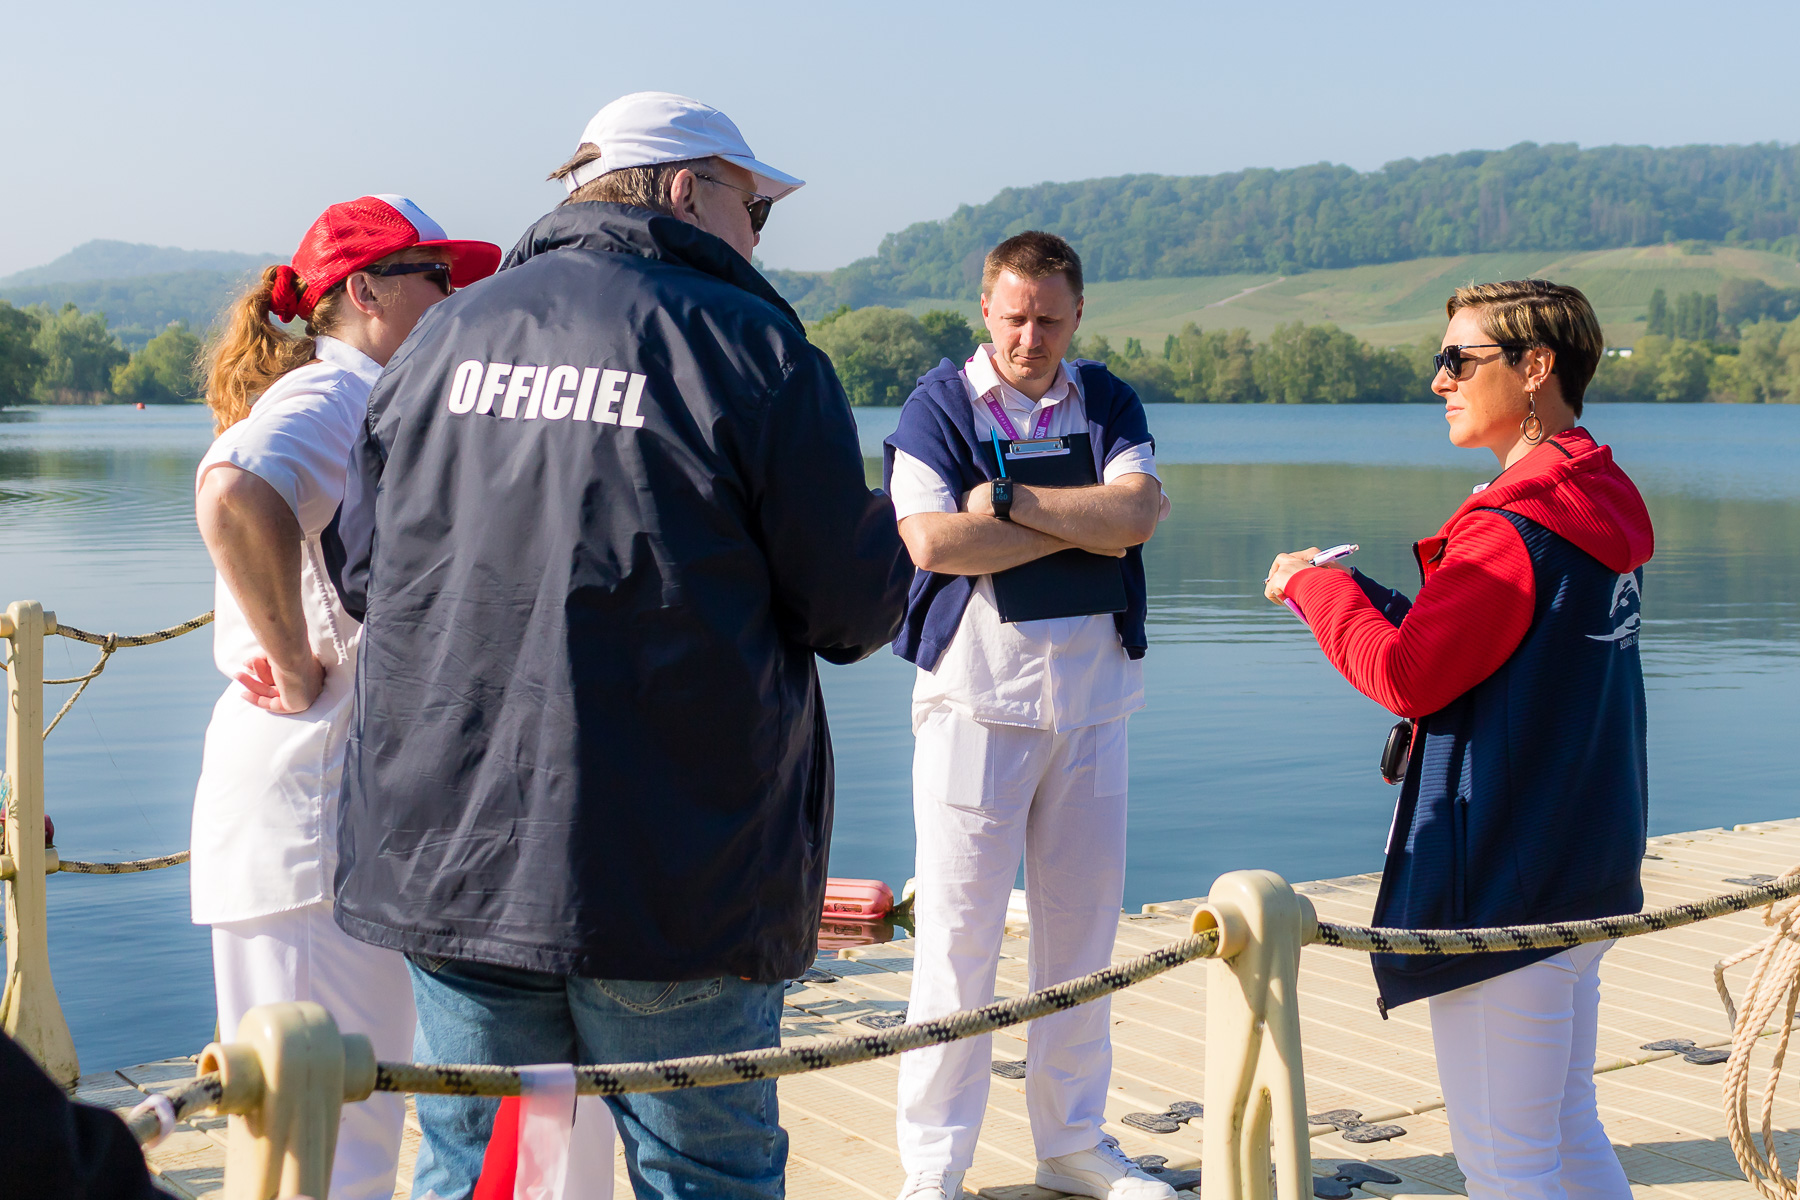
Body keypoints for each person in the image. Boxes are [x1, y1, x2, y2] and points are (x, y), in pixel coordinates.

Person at [321, 92, 911, 1200]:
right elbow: (849, 613)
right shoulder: (754, 347)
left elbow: (362, 574)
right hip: (675, 876)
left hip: (458, 862)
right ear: (686, 191)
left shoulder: (443, 336)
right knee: (703, 1175)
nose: (758, 239)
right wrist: (893, 532)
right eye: (755, 210)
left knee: (493, 1176)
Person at [1264, 280, 1651, 1200]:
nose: (1438, 381)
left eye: (1458, 360)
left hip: (1504, 881)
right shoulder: (1596, 494)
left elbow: (1406, 678)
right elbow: (1505, 646)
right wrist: (1364, 595)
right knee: (1567, 1132)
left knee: (1506, 1164)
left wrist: (1313, 589)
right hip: (1586, 861)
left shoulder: (1510, 525)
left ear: (1535, 367)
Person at [193, 196, 500, 1200]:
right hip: (306, 793)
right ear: (365, 291)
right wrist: (293, 663)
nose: (454, 298)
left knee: (341, 1125)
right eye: (436, 279)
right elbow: (233, 488)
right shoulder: (332, 397)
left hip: (340, 804)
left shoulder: (378, 401)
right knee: (318, 1138)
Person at [882, 231, 1172, 1200]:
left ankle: (1072, 1143)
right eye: (1014, 317)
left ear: (1077, 315)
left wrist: (1007, 503)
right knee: (957, 943)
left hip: (1095, 708)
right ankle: (935, 1165)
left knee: (1082, 942)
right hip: (976, 707)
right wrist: (1083, 526)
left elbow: (1137, 517)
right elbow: (934, 543)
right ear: (986, 311)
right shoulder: (938, 407)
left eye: (1049, 319)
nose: (1030, 337)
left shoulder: (1109, 400)